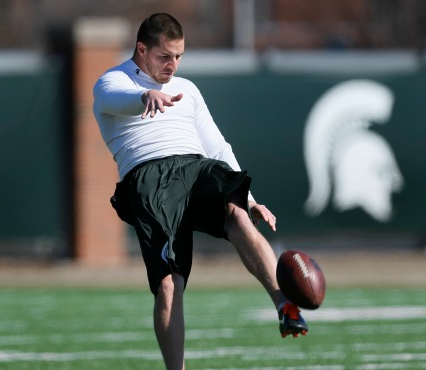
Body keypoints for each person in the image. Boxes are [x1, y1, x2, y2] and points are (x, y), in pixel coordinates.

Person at [92, 13, 308, 370]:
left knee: (237, 214)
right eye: (165, 56)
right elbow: (117, 100)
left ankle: (285, 305)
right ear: (142, 49)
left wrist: (250, 199)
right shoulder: (113, 81)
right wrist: (147, 94)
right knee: (169, 285)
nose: (173, 65)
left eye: (179, 56)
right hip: (150, 179)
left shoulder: (187, 89)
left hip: (196, 168)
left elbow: (218, 147)